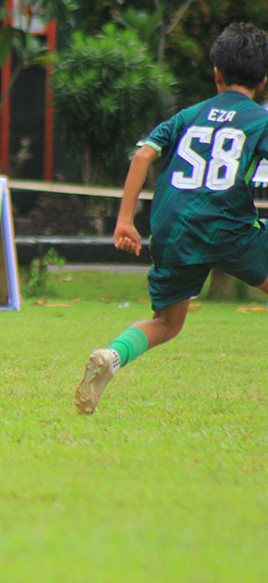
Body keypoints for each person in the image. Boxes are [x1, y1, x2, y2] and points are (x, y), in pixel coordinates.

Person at [76, 22, 268, 415]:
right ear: (263, 82)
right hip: (230, 226)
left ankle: (111, 356)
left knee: (166, 322)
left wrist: (125, 221)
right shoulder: (259, 121)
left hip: (173, 227)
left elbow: (144, 155)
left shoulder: (190, 116)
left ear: (216, 73)